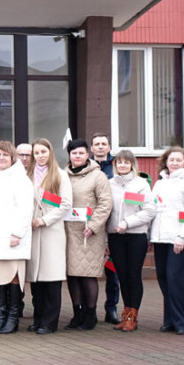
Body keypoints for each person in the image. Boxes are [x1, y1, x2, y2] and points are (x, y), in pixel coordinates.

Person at [0, 141, 33, 334]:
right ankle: (0, 316)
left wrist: (17, 233)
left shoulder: (21, 179)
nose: (1, 158)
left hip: (12, 237)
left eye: (4, 155)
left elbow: (26, 209)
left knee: (13, 277)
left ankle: (12, 318)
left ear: (12, 157)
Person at [150, 146, 184, 335]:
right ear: (166, 161)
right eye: (171, 160)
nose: (174, 163)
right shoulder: (160, 183)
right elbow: (154, 208)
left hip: (180, 240)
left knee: (176, 280)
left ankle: (182, 322)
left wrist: (182, 236)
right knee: (164, 278)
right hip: (160, 238)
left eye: (178, 160)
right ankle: (170, 320)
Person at [63, 139, 113, 331]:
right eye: (74, 153)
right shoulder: (63, 175)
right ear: (69, 155)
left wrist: (93, 225)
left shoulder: (98, 176)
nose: (77, 156)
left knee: (87, 273)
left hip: (88, 232)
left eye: (81, 153)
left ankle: (90, 314)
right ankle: (77, 314)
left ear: (87, 155)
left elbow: (105, 203)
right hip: (68, 231)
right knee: (73, 274)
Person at [26, 138, 72, 335]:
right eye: (36, 153)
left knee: (51, 279)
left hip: (51, 231)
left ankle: (49, 322)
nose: (40, 156)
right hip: (32, 231)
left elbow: (66, 204)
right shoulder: (27, 175)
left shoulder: (60, 175)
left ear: (50, 152)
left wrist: (44, 220)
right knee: (36, 280)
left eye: (43, 152)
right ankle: (38, 319)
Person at [106, 150, 155, 332]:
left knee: (133, 275)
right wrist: (105, 239)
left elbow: (149, 211)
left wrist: (127, 223)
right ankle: (126, 314)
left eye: (126, 162)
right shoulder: (110, 184)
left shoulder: (140, 184)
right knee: (122, 275)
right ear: (115, 165)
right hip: (115, 237)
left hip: (136, 235)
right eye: (120, 162)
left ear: (132, 165)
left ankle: (132, 317)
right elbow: (106, 211)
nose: (123, 165)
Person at [91, 133, 120, 325]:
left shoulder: (117, 166)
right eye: (97, 144)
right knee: (89, 271)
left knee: (112, 272)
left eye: (104, 144)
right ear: (91, 148)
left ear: (109, 147)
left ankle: (111, 309)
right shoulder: (86, 165)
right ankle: (89, 309)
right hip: (91, 226)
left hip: (112, 225)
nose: (100, 147)